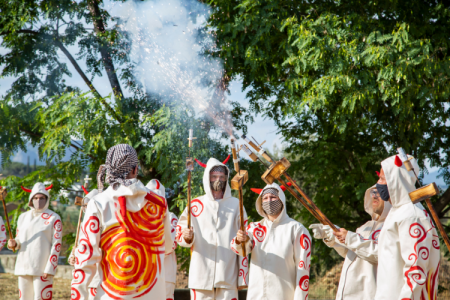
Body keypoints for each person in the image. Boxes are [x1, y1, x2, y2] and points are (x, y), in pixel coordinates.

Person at [71, 144, 172, 300]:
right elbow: (167, 247)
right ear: (135, 169)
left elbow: (86, 259)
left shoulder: (98, 203)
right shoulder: (159, 203)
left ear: (110, 169)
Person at [177, 157, 248, 300]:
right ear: (207, 178)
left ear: (226, 179)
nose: (218, 180)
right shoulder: (195, 204)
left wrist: (244, 239)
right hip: (200, 275)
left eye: (222, 177)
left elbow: (245, 237)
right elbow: (180, 232)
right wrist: (187, 236)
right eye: (214, 176)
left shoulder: (236, 204)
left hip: (227, 275)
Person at [374, 155, 440, 299]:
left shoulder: (411, 216)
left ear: (395, 180)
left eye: (382, 179)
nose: (378, 183)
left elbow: (416, 271)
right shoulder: (397, 212)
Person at [230, 182, 311, 300]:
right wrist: (240, 239)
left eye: (273, 197)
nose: (269, 201)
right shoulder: (254, 228)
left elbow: (303, 269)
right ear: (261, 202)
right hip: (256, 295)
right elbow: (240, 250)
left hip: (283, 295)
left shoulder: (296, 229)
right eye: (265, 198)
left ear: (281, 199)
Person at [309, 186, 391, 300]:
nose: (374, 196)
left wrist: (350, 238)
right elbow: (352, 254)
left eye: (379, 192)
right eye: (373, 192)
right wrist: (332, 235)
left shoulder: (392, 227)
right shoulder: (364, 227)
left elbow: (381, 254)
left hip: (370, 295)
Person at [7, 182, 62, 300]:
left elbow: (56, 244)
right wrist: (14, 243)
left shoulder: (54, 217)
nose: (38, 200)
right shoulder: (23, 217)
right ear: (31, 199)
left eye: (42, 198)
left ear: (47, 198)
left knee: (40, 298)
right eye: (36, 198)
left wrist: (50, 267)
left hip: (42, 268)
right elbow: (19, 239)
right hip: (23, 265)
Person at [145, 179, 178, 300]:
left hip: (165, 276)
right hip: (145, 274)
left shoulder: (172, 219)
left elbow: (169, 247)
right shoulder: (139, 219)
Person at [68, 186, 100, 299]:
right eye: (84, 206)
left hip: (97, 275)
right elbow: (80, 245)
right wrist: (73, 256)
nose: (85, 209)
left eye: (88, 205)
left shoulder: (103, 224)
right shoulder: (82, 225)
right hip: (82, 274)